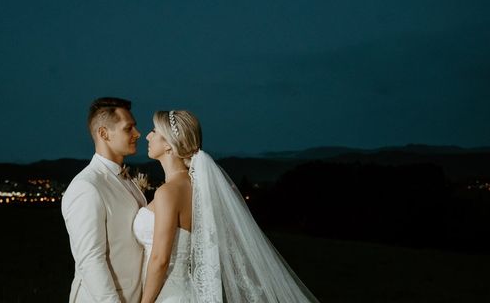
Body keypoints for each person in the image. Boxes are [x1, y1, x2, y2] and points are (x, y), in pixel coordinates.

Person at [133, 110, 320, 303]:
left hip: (165, 295)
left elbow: (160, 260)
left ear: (169, 146)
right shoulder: (196, 189)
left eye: (154, 131)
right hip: (185, 292)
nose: (147, 135)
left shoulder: (168, 193)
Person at [62, 97, 147, 303]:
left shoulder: (128, 180)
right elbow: (90, 260)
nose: (138, 133)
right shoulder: (87, 186)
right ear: (103, 133)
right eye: (129, 128)